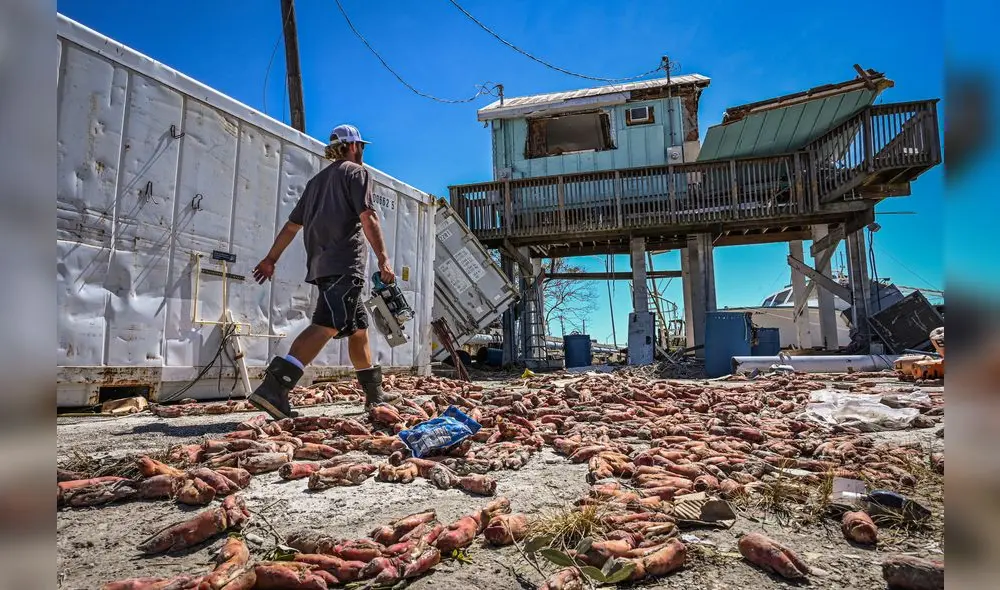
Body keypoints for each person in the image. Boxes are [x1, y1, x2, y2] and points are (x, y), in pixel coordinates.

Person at [247, 124, 400, 420]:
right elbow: (368, 216)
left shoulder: (316, 182)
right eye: (362, 147)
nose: (363, 153)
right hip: (345, 263)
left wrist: (271, 258)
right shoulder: (357, 173)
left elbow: (292, 226)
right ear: (353, 146)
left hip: (322, 265)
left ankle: (374, 394)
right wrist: (384, 259)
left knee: (357, 329)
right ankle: (275, 387)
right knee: (327, 323)